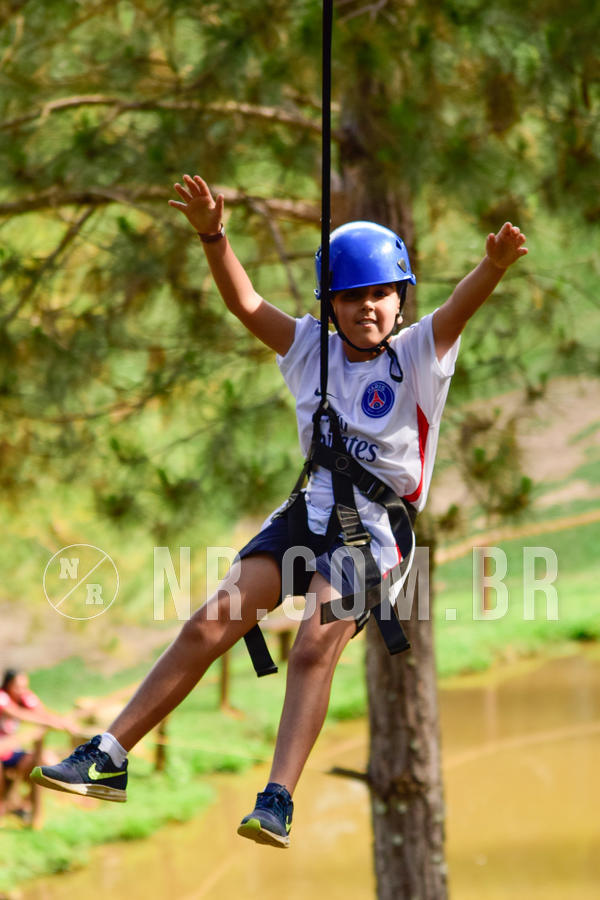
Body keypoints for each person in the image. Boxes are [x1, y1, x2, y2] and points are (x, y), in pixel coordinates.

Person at [31, 175, 527, 847]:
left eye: (381, 293)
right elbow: (244, 301)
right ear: (331, 305)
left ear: (402, 298)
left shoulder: (418, 356)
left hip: (376, 532)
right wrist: (214, 234)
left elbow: (458, 311)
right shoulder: (307, 351)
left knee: (315, 642)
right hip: (306, 512)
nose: (368, 308)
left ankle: (277, 799)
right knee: (212, 623)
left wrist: (490, 267)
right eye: (351, 297)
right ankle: (108, 757)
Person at [0, 669, 79, 818]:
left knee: (49, 763)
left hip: (11, 752)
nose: (21, 690)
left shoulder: (25, 696)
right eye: (17, 686)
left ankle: (23, 805)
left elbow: (41, 712)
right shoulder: (2, 697)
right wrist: (52, 723)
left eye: (24, 686)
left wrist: (61, 722)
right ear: (8, 684)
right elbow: (17, 713)